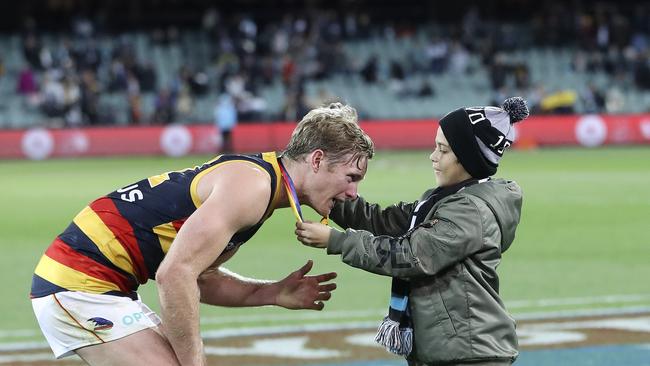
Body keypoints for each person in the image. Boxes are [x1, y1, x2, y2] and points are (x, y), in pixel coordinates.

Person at [30, 102, 374, 365]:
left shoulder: (262, 184)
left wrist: (271, 292)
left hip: (98, 285)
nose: (353, 194)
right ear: (316, 160)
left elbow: (201, 277)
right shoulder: (253, 187)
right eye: (351, 177)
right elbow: (175, 275)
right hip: (78, 281)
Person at [296, 97, 529, 365]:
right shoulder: (443, 200)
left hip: (471, 354)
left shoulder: (470, 210)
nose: (433, 156)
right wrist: (327, 192)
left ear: (468, 159)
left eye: (443, 150)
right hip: (456, 351)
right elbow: (381, 222)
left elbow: (411, 256)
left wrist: (338, 241)